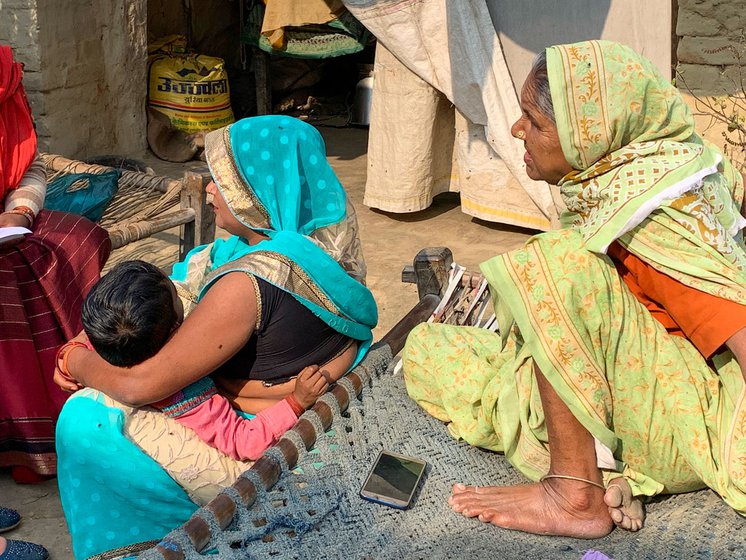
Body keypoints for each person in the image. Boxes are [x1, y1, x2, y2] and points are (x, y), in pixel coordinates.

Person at [403, 39, 746, 538]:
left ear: (590, 138)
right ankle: (609, 468)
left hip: (686, 422)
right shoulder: (633, 179)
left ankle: (575, 492)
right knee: (430, 347)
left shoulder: (655, 214)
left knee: (555, 266)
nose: (518, 130)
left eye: (535, 122)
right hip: (645, 386)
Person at [53, 115, 377, 559]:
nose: (208, 190)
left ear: (255, 189)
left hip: (259, 444)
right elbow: (168, 293)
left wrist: (74, 358)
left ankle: (154, 545)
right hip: (298, 420)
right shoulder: (318, 249)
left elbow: (140, 384)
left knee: (84, 419)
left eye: (221, 179)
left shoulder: (248, 283)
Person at [76, 259, 332, 461]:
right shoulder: (189, 394)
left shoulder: (104, 344)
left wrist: (71, 352)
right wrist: (296, 402)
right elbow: (244, 442)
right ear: (177, 326)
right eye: (176, 295)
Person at [0, 45, 110, 481]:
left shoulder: (7, 75)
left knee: (81, 239)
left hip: (7, 213)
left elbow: (31, 166)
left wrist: (20, 212)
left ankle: (81, 389)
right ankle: (25, 436)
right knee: (9, 273)